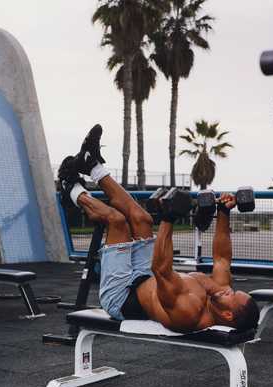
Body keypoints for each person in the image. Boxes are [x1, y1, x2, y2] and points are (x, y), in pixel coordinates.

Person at [58, 125, 260, 334]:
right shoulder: (222, 294)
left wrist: (169, 218)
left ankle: (71, 189)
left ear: (228, 315)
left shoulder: (189, 313)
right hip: (145, 278)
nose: (230, 292)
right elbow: (221, 259)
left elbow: (161, 269)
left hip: (121, 296)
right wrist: (224, 212)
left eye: (233, 297)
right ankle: (91, 164)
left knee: (117, 221)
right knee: (142, 219)